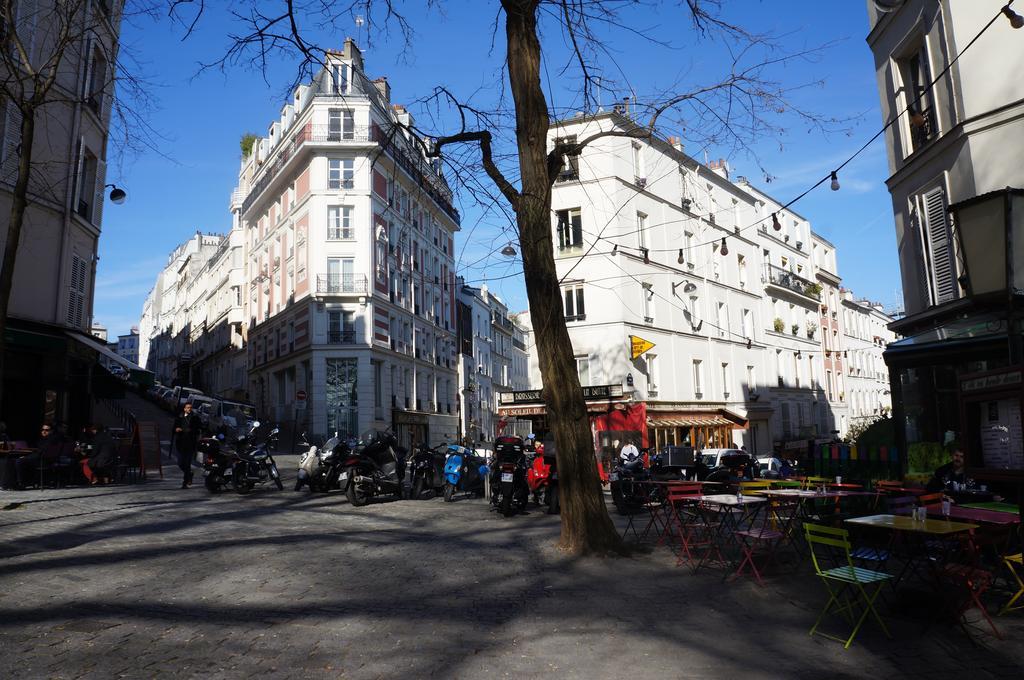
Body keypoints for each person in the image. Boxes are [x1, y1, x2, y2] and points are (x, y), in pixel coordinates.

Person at [13, 423, 64, 489]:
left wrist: (26, 457)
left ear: (52, 431)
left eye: (47, 430)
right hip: (45, 459)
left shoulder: (51, 439)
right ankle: (28, 482)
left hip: (44, 461)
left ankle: (21, 484)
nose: (44, 431)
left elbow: (41, 453)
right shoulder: (47, 439)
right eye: (42, 429)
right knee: (23, 460)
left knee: (19, 461)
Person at [173, 402, 202, 488]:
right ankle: (189, 474)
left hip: (190, 443)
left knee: (187, 463)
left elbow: (198, 430)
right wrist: (176, 429)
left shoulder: (195, 418)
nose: (189, 409)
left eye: (190, 408)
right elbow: (174, 428)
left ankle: (185, 483)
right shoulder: (180, 417)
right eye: (187, 408)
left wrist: (192, 430)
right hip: (181, 443)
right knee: (180, 463)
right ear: (184, 409)